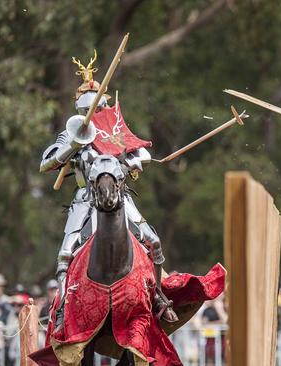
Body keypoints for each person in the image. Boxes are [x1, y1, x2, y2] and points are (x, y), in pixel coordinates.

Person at [39, 50, 177, 327]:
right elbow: (45, 163)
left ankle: (158, 295)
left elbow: (138, 154)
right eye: (88, 109)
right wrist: (73, 146)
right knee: (65, 253)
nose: (94, 113)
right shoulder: (71, 133)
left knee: (153, 240)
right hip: (86, 198)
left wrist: (136, 162)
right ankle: (64, 307)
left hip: (119, 196)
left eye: (98, 108)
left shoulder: (113, 131)